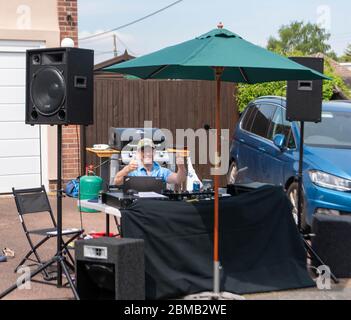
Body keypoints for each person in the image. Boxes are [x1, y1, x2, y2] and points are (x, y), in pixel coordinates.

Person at [114, 138, 187, 186]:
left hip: (156, 205)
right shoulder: (132, 170)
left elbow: (179, 179)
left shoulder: (161, 171)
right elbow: (116, 182)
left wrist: (181, 167)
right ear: (138, 153)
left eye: (149, 150)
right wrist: (126, 169)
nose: (147, 153)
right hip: (137, 205)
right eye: (144, 151)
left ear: (154, 152)